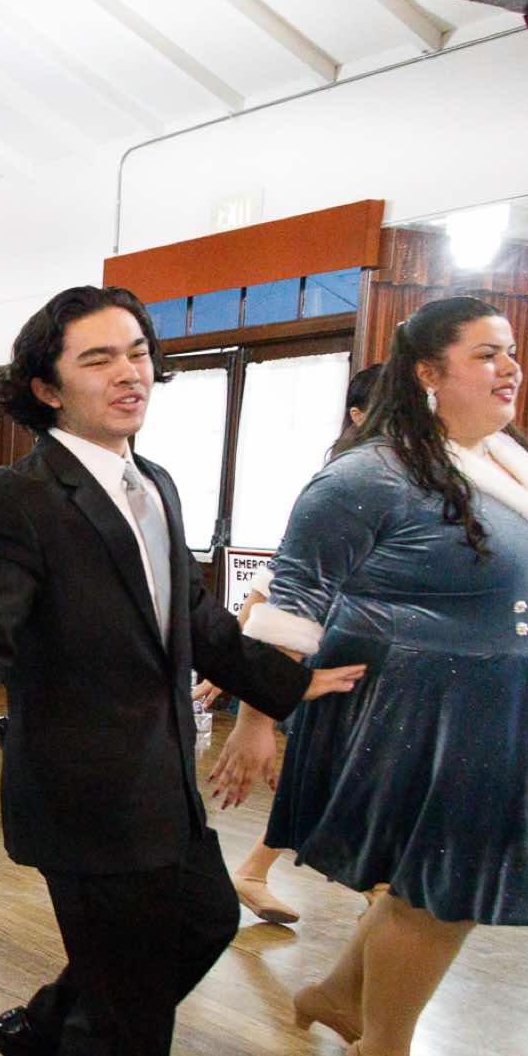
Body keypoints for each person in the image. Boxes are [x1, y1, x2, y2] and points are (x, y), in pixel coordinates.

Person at [0, 286, 344, 1056]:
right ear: (47, 387)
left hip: (162, 771)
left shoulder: (156, 483)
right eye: (98, 359)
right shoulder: (13, 499)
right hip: (83, 784)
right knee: (131, 992)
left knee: (205, 920)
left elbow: (196, 619)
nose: (130, 372)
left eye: (136, 352)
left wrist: (287, 685)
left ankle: (46, 1026)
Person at [218, 295, 528, 1056]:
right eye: (487, 353)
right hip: (418, 700)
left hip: (504, 695)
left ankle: (342, 996)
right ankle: (384, 1053)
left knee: (435, 881)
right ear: (427, 372)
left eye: (511, 351)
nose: (510, 367)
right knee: (443, 888)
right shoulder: (365, 476)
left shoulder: (509, 465)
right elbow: (291, 599)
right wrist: (256, 719)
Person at [221, 361, 384, 924]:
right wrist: (251, 706)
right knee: (338, 773)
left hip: (373, 655)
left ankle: (371, 887)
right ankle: (380, 891)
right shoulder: (346, 480)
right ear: (358, 414)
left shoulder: (421, 477)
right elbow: (281, 585)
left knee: (339, 774)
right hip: (338, 649)